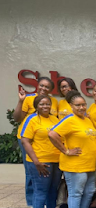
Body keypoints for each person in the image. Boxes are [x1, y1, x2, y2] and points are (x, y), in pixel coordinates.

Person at [13, 77, 58, 206]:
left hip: (50, 148)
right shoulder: (28, 101)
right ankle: (32, 202)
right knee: (33, 174)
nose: (44, 88)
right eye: (42, 85)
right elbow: (17, 118)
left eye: (47, 87)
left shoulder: (54, 107)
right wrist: (20, 101)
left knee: (50, 188)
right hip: (30, 138)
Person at [48, 90, 96, 208]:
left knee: (89, 191)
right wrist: (66, 150)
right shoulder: (70, 119)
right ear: (71, 106)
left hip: (89, 165)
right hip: (75, 165)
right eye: (78, 105)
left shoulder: (87, 120)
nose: (81, 107)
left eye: (83, 104)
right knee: (76, 193)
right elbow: (52, 134)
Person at [20, 95, 62, 208]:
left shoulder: (55, 119)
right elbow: (25, 141)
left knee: (53, 192)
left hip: (56, 161)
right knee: (41, 192)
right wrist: (36, 162)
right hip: (41, 162)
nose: (45, 106)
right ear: (36, 106)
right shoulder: (32, 119)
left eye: (48, 103)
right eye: (42, 104)